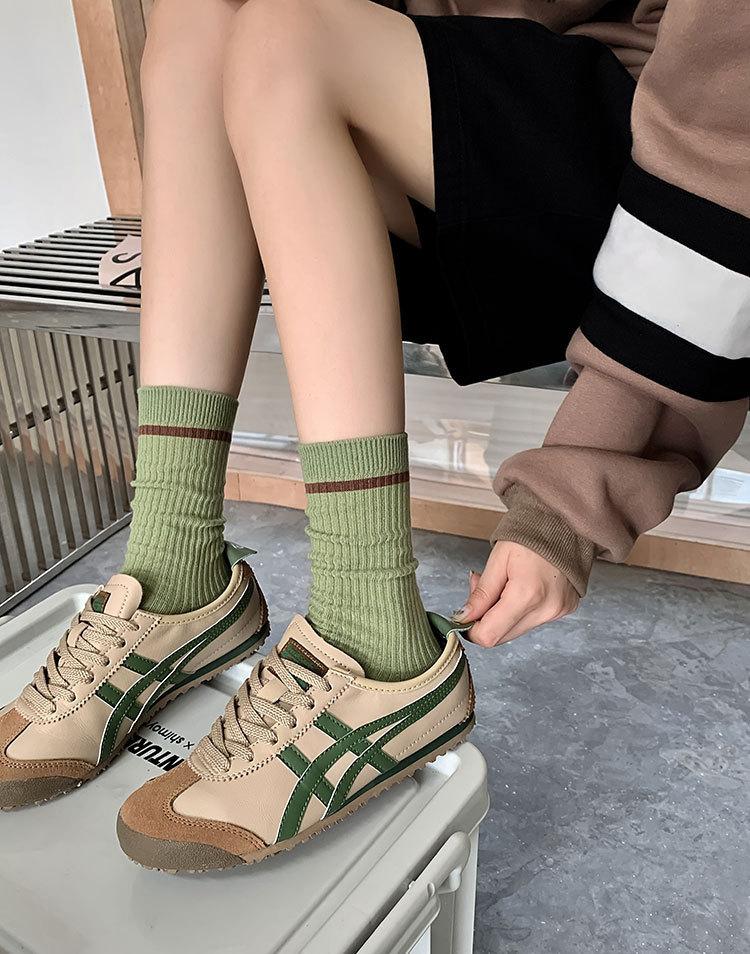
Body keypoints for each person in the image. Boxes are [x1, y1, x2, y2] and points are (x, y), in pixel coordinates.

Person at [1, 0, 746, 871]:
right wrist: (194, 210)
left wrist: (575, 493)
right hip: (450, 146)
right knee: (201, 11)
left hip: (663, 184)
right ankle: (173, 569)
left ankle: (373, 633)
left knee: (288, 38)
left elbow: (729, 121)